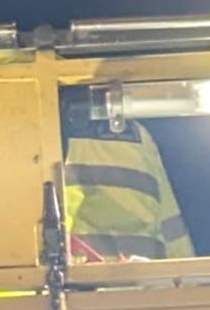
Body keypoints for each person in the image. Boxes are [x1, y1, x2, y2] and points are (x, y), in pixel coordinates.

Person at [62, 91, 194, 261]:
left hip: (78, 280)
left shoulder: (44, 136)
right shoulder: (137, 136)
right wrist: (191, 280)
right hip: (142, 281)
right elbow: (171, 227)